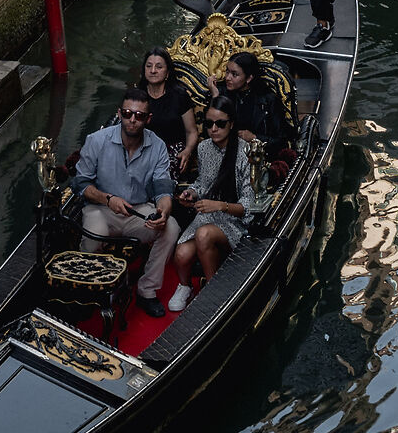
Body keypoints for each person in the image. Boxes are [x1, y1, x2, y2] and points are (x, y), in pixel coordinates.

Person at [73, 95, 178, 316]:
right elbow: (81, 183)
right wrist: (108, 199)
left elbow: (163, 189)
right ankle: (89, 291)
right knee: (94, 236)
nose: (132, 120)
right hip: (101, 208)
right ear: (119, 113)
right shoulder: (96, 140)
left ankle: (146, 290)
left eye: (139, 116)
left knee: (171, 227)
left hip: (137, 211)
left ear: (147, 119)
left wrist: (163, 211)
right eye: (128, 114)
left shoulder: (157, 146)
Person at [167, 98, 256, 314]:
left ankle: (213, 294)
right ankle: (185, 287)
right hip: (208, 215)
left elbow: (249, 204)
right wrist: (192, 193)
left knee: (204, 235)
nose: (213, 129)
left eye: (220, 124)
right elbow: (203, 183)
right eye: (208, 124)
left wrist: (220, 206)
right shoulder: (204, 148)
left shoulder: (246, 152)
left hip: (236, 219)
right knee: (181, 255)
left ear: (231, 124)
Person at [206, 49, 293, 152]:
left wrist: (254, 138)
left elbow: (281, 141)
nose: (228, 78)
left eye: (234, 74)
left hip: (258, 157)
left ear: (249, 78)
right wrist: (215, 97)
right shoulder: (221, 93)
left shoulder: (268, 99)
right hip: (226, 153)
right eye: (227, 71)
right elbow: (208, 130)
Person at [133, 46, 198, 175]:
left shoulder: (180, 96)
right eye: (149, 66)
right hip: (142, 150)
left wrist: (187, 151)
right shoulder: (137, 96)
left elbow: (191, 132)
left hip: (173, 151)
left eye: (159, 67)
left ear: (167, 72)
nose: (153, 71)